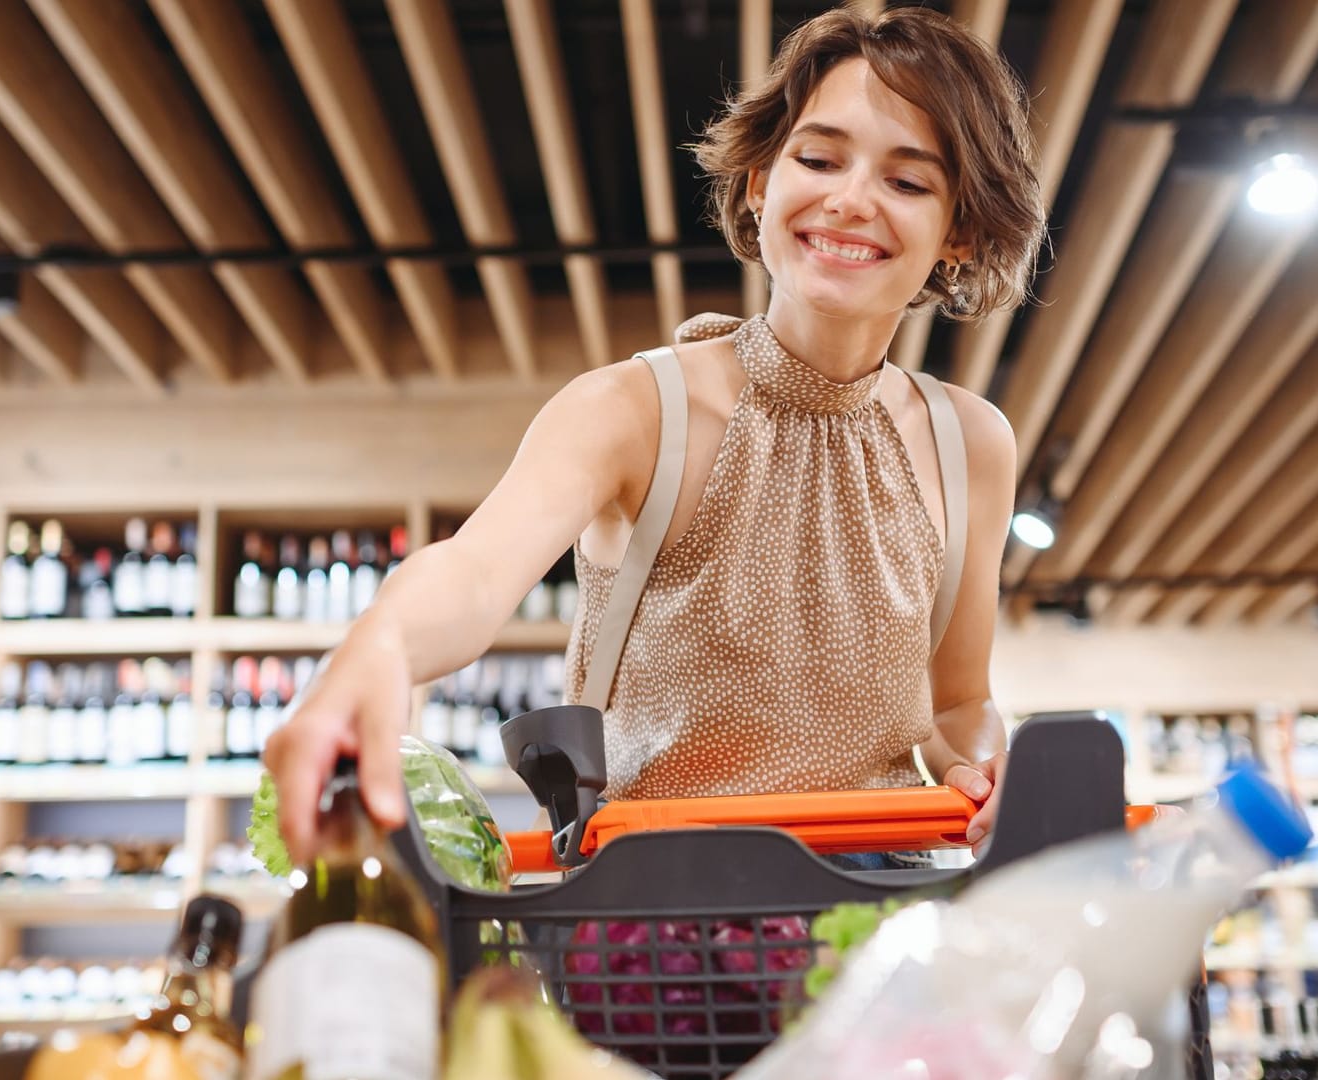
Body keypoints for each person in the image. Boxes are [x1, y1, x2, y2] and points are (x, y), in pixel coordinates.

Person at [267, 6, 1046, 867]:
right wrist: (378, 642)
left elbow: (954, 705)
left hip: (885, 918)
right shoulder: (636, 410)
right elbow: (473, 572)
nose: (850, 199)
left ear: (961, 234)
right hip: (659, 924)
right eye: (817, 158)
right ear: (759, 182)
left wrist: (989, 771)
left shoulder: (969, 442)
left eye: (908, 182)